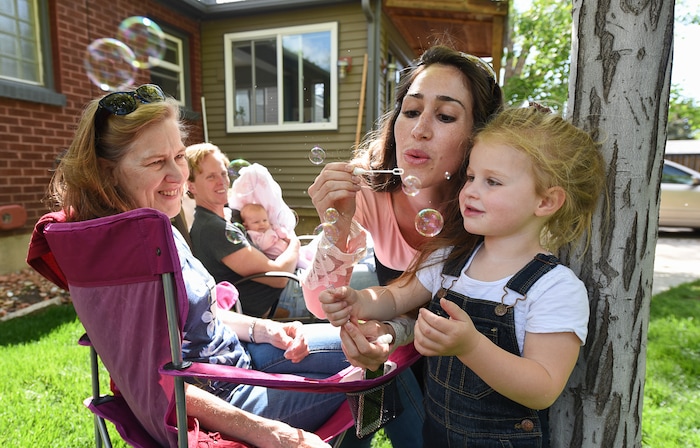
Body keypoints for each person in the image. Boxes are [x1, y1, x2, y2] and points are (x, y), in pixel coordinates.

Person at [48, 84, 350, 448]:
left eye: (178, 156)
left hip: (243, 360)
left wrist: (263, 328)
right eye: (157, 162)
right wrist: (278, 435)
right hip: (224, 398)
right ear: (107, 171)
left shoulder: (153, 227)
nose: (178, 177)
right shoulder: (124, 261)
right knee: (377, 376)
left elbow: (199, 316)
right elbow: (154, 385)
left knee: (364, 346)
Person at [318, 105, 607, 446]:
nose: (470, 190)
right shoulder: (450, 258)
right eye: (471, 177)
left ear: (545, 202)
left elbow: (542, 387)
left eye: (492, 181)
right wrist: (359, 301)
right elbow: (396, 297)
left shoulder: (554, 287)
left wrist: (470, 346)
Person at [302, 45, 504, 447]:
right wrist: (337, 226)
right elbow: (318, 302)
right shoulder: (372, 188)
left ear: (477, 136)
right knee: (359, 368)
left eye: (445, 116)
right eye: (411, 111)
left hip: (464, 371)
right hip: (400, 351)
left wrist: (389, 331)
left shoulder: (487, 208)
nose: (419, 129)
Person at [185, 143, 301, 318]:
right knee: (355, 281)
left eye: (223, 174)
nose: (222, 181)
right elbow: (279, 277)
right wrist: (295, 243)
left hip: (295, 277)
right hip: (283, 296)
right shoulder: (213, 229)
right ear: (191, 186)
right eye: (211, 177)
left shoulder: (230, 216)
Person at [240, 202, 313, 270]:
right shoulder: (253, 234)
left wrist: (278, 229)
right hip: (283, 256)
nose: (262, 224)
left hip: (289, 249)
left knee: (309, 252)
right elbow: (263, 246)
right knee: (304, 264)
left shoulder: (270, 228)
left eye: (265, 220)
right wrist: (270, 231)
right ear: (246, 226)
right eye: (256, 222)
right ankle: (313, 273)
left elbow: (283, 235)